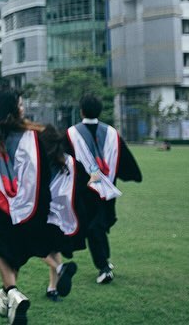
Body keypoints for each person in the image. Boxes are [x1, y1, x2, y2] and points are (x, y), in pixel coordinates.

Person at [0, 87, 81, 324]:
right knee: (23, 243)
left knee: (0, 247)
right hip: (31, 203)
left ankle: (12, 292)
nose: (23, 107)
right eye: (20, 104)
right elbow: (54, 165)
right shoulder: (34, 135)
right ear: (13, 109)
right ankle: (55, 268)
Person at [66, 93, 142, 284]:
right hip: (107, 191)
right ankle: (104, 262)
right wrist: (132, 175)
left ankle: (104, 267)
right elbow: (125, 161)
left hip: (85, 192)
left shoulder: (71, 134)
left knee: (93, 228)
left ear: (81, 111)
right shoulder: (112, 134)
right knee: (98, 226)